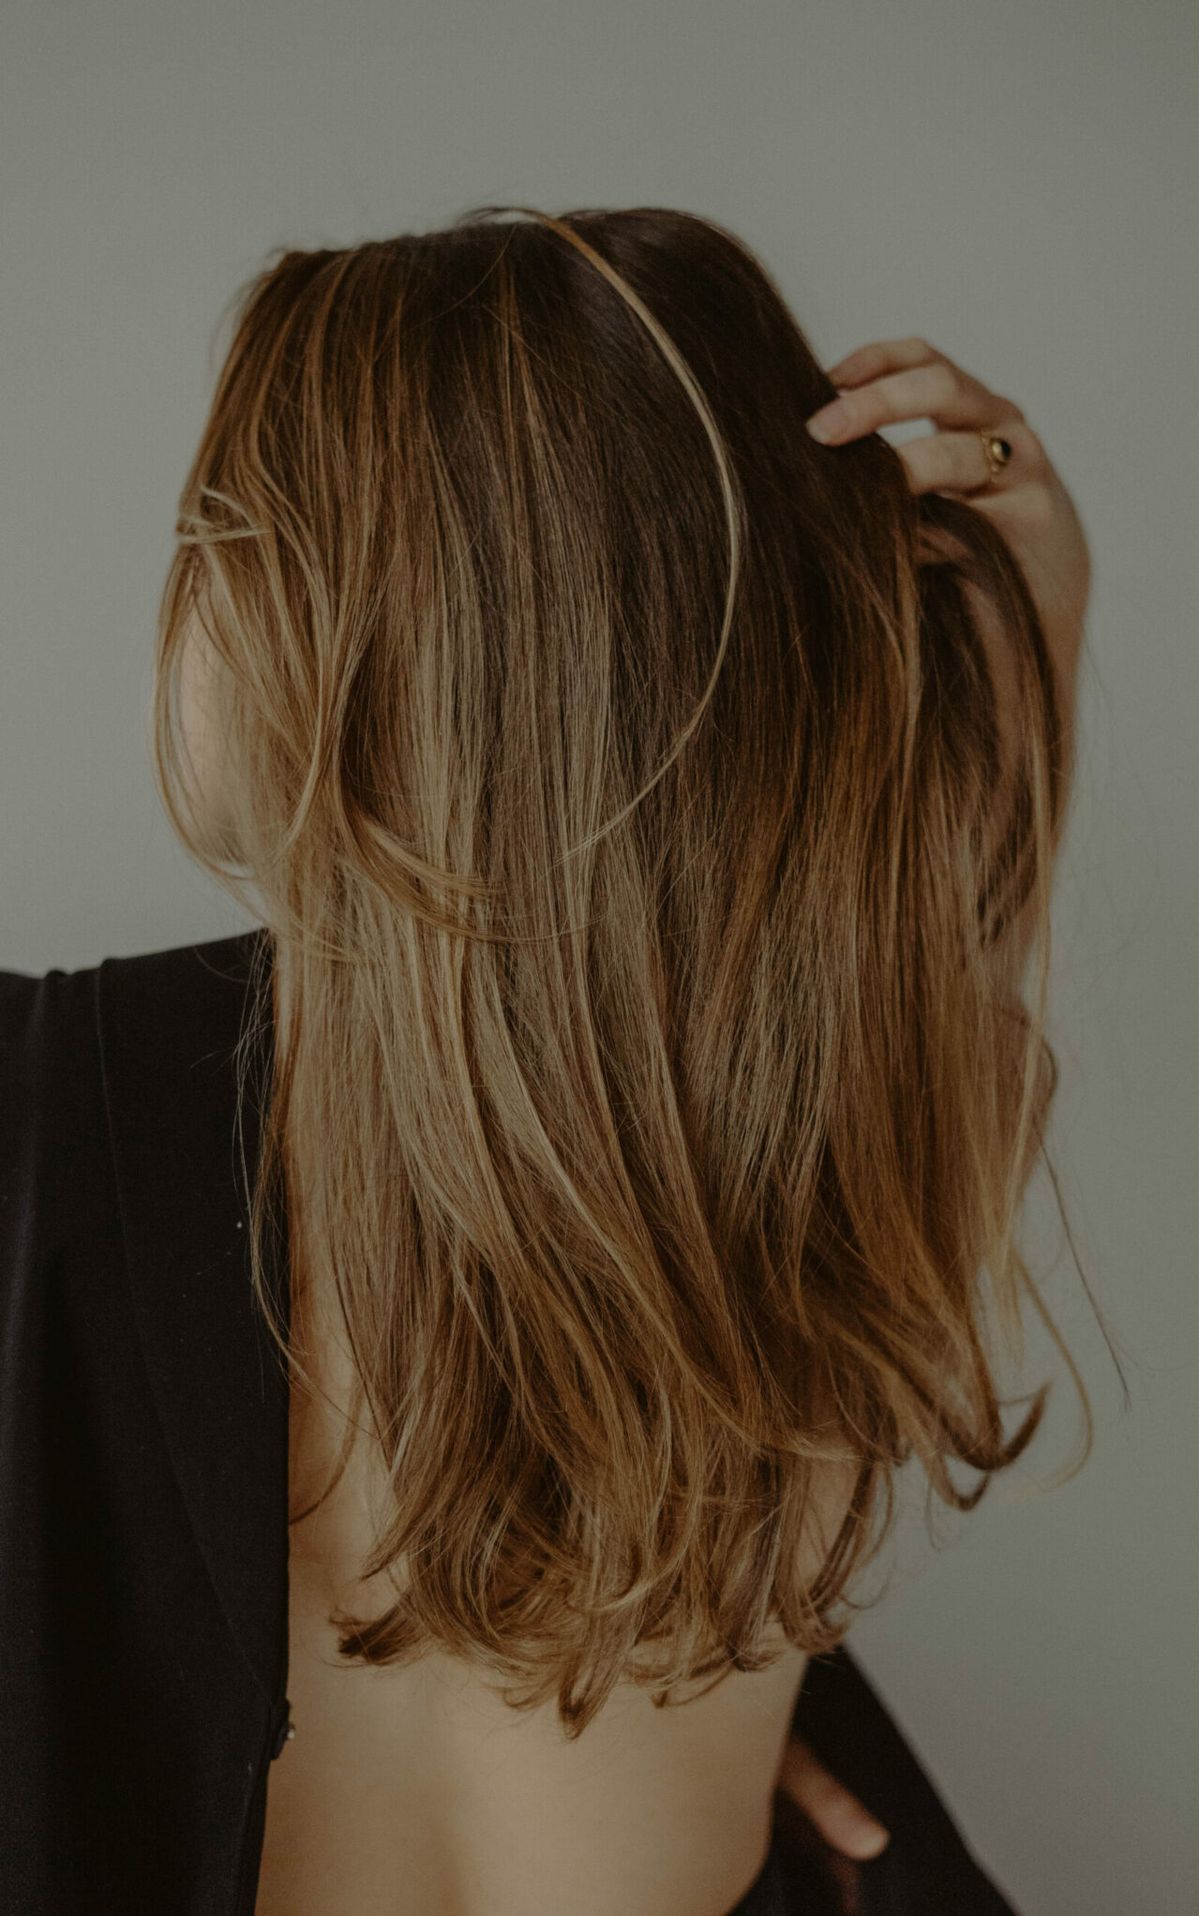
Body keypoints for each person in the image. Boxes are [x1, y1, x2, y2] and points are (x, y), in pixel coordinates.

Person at [0, 203, 1090, 1915]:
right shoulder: (892, 1136)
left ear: (323, 639)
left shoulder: (42, 1107)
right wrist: (1024, 642)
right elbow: (925, 947)